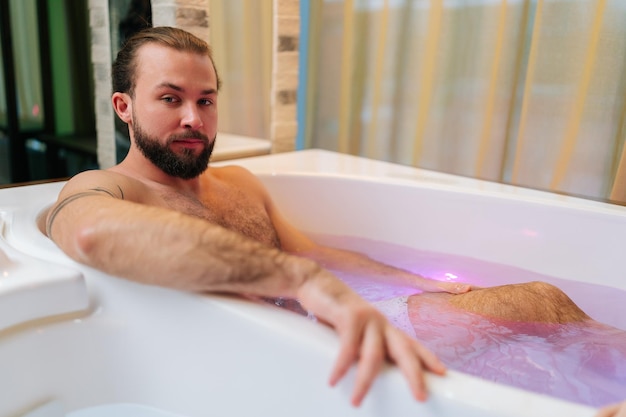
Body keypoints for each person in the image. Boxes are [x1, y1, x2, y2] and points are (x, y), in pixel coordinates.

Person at [44, 26, 469, 407]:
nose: (194, 118)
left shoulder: (241, 183)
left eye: (205, 100)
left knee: (531, 300)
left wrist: (418, 283)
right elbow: (89, 231)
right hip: (250, 371)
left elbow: (316, 253)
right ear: (124, 106)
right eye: (170, 98)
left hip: (319, 337)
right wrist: (303, 279)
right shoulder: (111, 188)